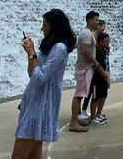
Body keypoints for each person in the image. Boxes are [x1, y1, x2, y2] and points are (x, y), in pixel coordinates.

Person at [12, 9, 76, 159]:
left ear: (54, 27)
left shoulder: (59, 48)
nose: (42, 29)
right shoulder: (48, 47)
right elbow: (32, 74)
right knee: (34, 156)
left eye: (45, 25)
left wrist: (31, 53)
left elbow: (40, 78)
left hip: (40, 107)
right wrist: (31, 54)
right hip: (34, 104)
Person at [71, 11, 108, 132]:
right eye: (96, 20)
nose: (98, 22)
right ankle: (74, 123)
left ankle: (76, 120)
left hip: (86, 68)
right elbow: (86, 52)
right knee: (79, 96)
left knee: (81, 95)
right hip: (85, 68)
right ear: (89, 20)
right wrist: (96, 64)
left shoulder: (88, 33)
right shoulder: (86, 34)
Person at [90, 32, 111, 124]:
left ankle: (98, 114)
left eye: (108, 40)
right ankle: (93, 116)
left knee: (103, 96)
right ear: (100, 42)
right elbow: (96, 66)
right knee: (96, 98)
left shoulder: (105, 51)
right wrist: (104, 75)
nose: (108, 42)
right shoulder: (97, 52)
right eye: (106, 41)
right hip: (97, 78)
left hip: (104, 78)